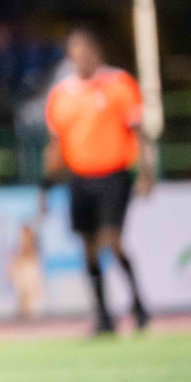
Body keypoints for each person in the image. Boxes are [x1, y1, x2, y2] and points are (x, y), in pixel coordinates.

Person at [43, 27, 154, 335]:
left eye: (84, 50)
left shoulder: (119, 84)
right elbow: (55, 144)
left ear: (96, 51)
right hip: (79, 177)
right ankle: (103, 316)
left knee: (112, 241)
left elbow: (138, 131)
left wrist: (146, 172)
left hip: (114, 175)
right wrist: (46, 184)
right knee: (89, 247)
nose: (79, 57)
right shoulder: (62, 94)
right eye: (73, 51)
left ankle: (138, 304)